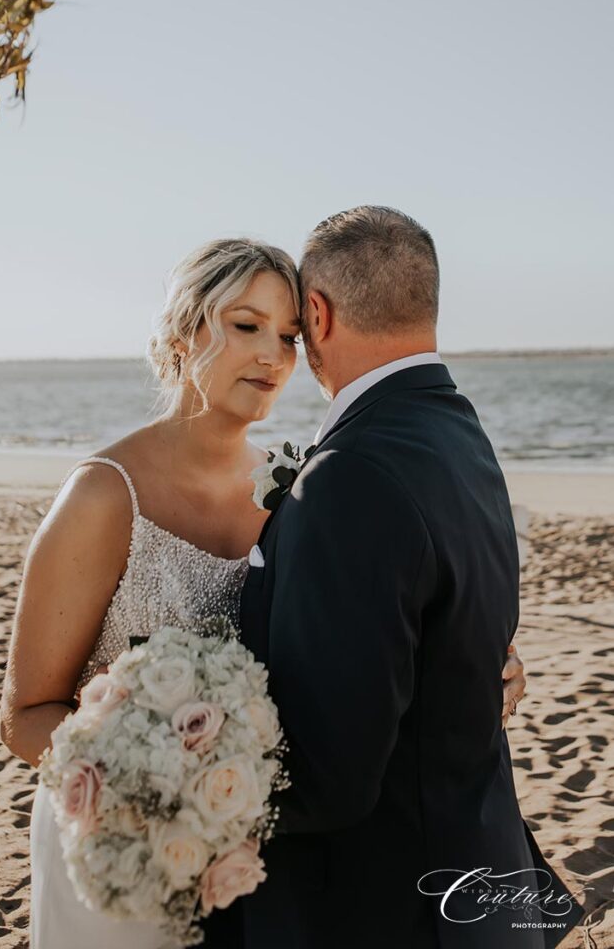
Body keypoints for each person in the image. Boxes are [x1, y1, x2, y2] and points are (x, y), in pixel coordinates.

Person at [0, 234, 526, 949]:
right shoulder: (102, 495)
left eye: (289, 333)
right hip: (116, 851)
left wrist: (466, 660)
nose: (274, 357)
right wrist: (158, 782)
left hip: (244, 863)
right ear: (185, 332)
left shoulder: (294, 487)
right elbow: (26, 714)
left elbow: (352, 636)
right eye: (245, 326)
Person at [218, 206, 583, 949]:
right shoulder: (457, 430)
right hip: (475, 868)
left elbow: (332, 772)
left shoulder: (350, 474)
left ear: (315, 314)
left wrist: (196, 797)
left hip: (384, 909)